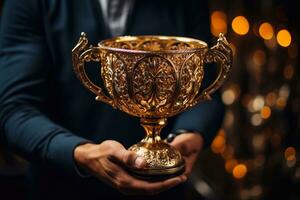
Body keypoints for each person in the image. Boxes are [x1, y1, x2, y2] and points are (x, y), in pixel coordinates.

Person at [0, 0, 225, 199]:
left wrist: (189, 134)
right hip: (61, 189)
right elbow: (14, 109)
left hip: (164, 188)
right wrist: (80, 153)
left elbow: (205, 90)